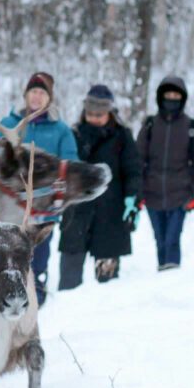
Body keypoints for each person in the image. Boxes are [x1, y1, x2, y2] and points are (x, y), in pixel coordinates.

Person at [0, 71, 78, 306]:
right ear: (25, 95)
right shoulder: (8, 125)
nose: (36, 97)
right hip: (7, 212)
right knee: (5, 264)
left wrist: (60, 199)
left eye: (42, 93)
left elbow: (69, 165)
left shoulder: (61, 130)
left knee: (36, 264)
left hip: (41, 212)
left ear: (49, 99)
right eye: (33, 91)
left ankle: (35, 311)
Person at [58, 85, 142, 289]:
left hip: (111, 216)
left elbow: (133, 171)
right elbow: (63, 168)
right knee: (69, 282)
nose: (94, 118)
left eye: (99, 114)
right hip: (77, 212)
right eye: (90, 113)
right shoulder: (74, 135)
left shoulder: (122, 137)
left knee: (108, 286)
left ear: (110, 113)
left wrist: (133, 201)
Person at [137, 75, 194, 271]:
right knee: (160, 240)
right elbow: (138, 160)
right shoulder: (150, 125)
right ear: (160, 97)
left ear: (183, 99)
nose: (171, 99)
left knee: (172, 239)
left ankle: (172, 276)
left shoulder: (191, 128)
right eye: (168, 95)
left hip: (180, 194)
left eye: (176, 95)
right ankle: (164, 278)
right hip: (152, 193)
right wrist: (137, 192)